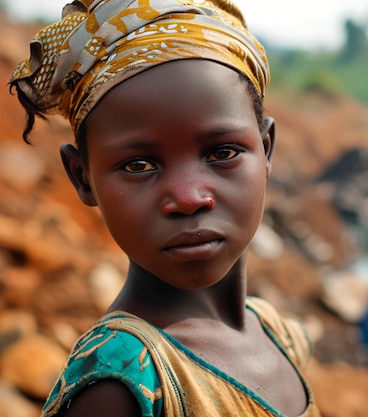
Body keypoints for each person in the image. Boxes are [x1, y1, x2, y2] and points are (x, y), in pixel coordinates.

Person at [9, 1, 320, 416]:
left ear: (266, 149)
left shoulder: (275, 332)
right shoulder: (122, 382)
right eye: (139, 165)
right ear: (83, 178)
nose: (189, 197)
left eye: (223, 152)